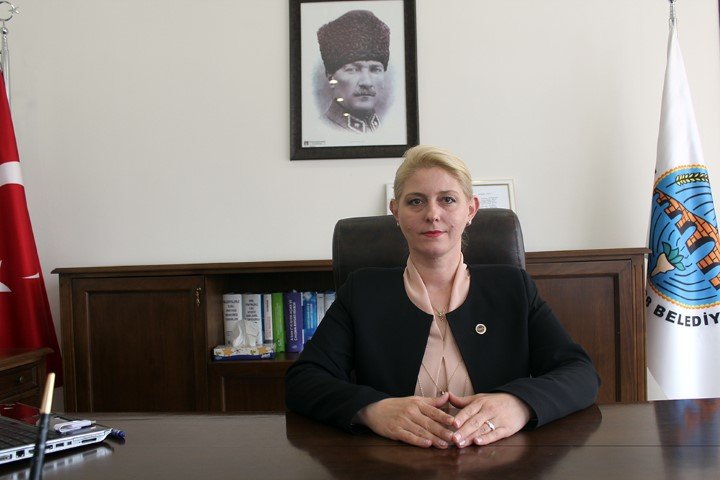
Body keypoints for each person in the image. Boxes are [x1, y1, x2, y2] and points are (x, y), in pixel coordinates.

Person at [285, 145, 600, 449]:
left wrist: (519, 404)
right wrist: (372, 410)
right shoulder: (363, 292)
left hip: (499, 458)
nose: (432, 214)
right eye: (416, 202)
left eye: (447, 199)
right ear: (396, 212)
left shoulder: (512, 288)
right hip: (392, 461)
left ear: (470, 209)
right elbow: (303, 381)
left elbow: (580, 373)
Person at [316, 10, 389, 133]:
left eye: (375, 69)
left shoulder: (390, 130)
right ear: (330, 76)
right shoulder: (320, 129)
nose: (366, 82)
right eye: (352, 70)